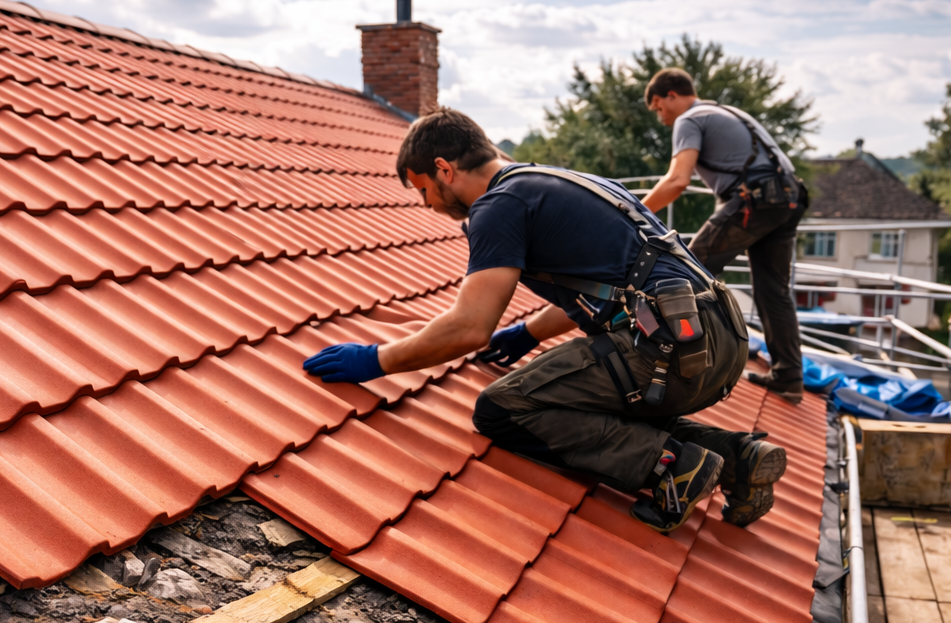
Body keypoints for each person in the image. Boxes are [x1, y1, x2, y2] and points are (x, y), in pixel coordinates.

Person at [301, 109, 788, 533]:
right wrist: (527, 332)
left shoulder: (498, 205)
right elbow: (612, 289)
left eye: (424, 189)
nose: (427, 203)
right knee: (586, 396)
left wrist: (375, 360)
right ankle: (736, 457)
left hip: (669, 353)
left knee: (504, 409)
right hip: (718, 339)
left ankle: (670, 468)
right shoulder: (556, 182)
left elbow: (469, 327)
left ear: (444, 169)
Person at [640, 68, 808, 405]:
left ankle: (657, 362)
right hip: (788, 197)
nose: (662, 118)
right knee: (773, 291)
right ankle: (789, 377)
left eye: (659, 107)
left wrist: (634, 213)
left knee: (682, 271)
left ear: (672, 95)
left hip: (755, 199)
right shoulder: (725, 112)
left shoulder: (690, 119)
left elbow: (677, 181)